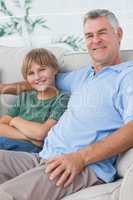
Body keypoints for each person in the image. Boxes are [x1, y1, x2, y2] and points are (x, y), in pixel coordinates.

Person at [0, 9, 133, 200]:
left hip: (80, 166)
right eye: (89, 35)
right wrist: (3, 88)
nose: (95, 40)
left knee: (6, 194)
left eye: (102, 32)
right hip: (42, 157)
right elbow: (40, 82)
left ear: (118, 34)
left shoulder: (127, 76)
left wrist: (80, 158)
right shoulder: (82, 75)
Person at [0, 48, 69, 153]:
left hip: (31, 150)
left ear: (55, 69)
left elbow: (41, 133)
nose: (37, 77)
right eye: (31, 73)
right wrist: (30, 137)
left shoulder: (62, 98)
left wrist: (15, 121)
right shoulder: (25, 96)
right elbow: (1, 125)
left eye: (42, 70)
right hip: (11, 143)